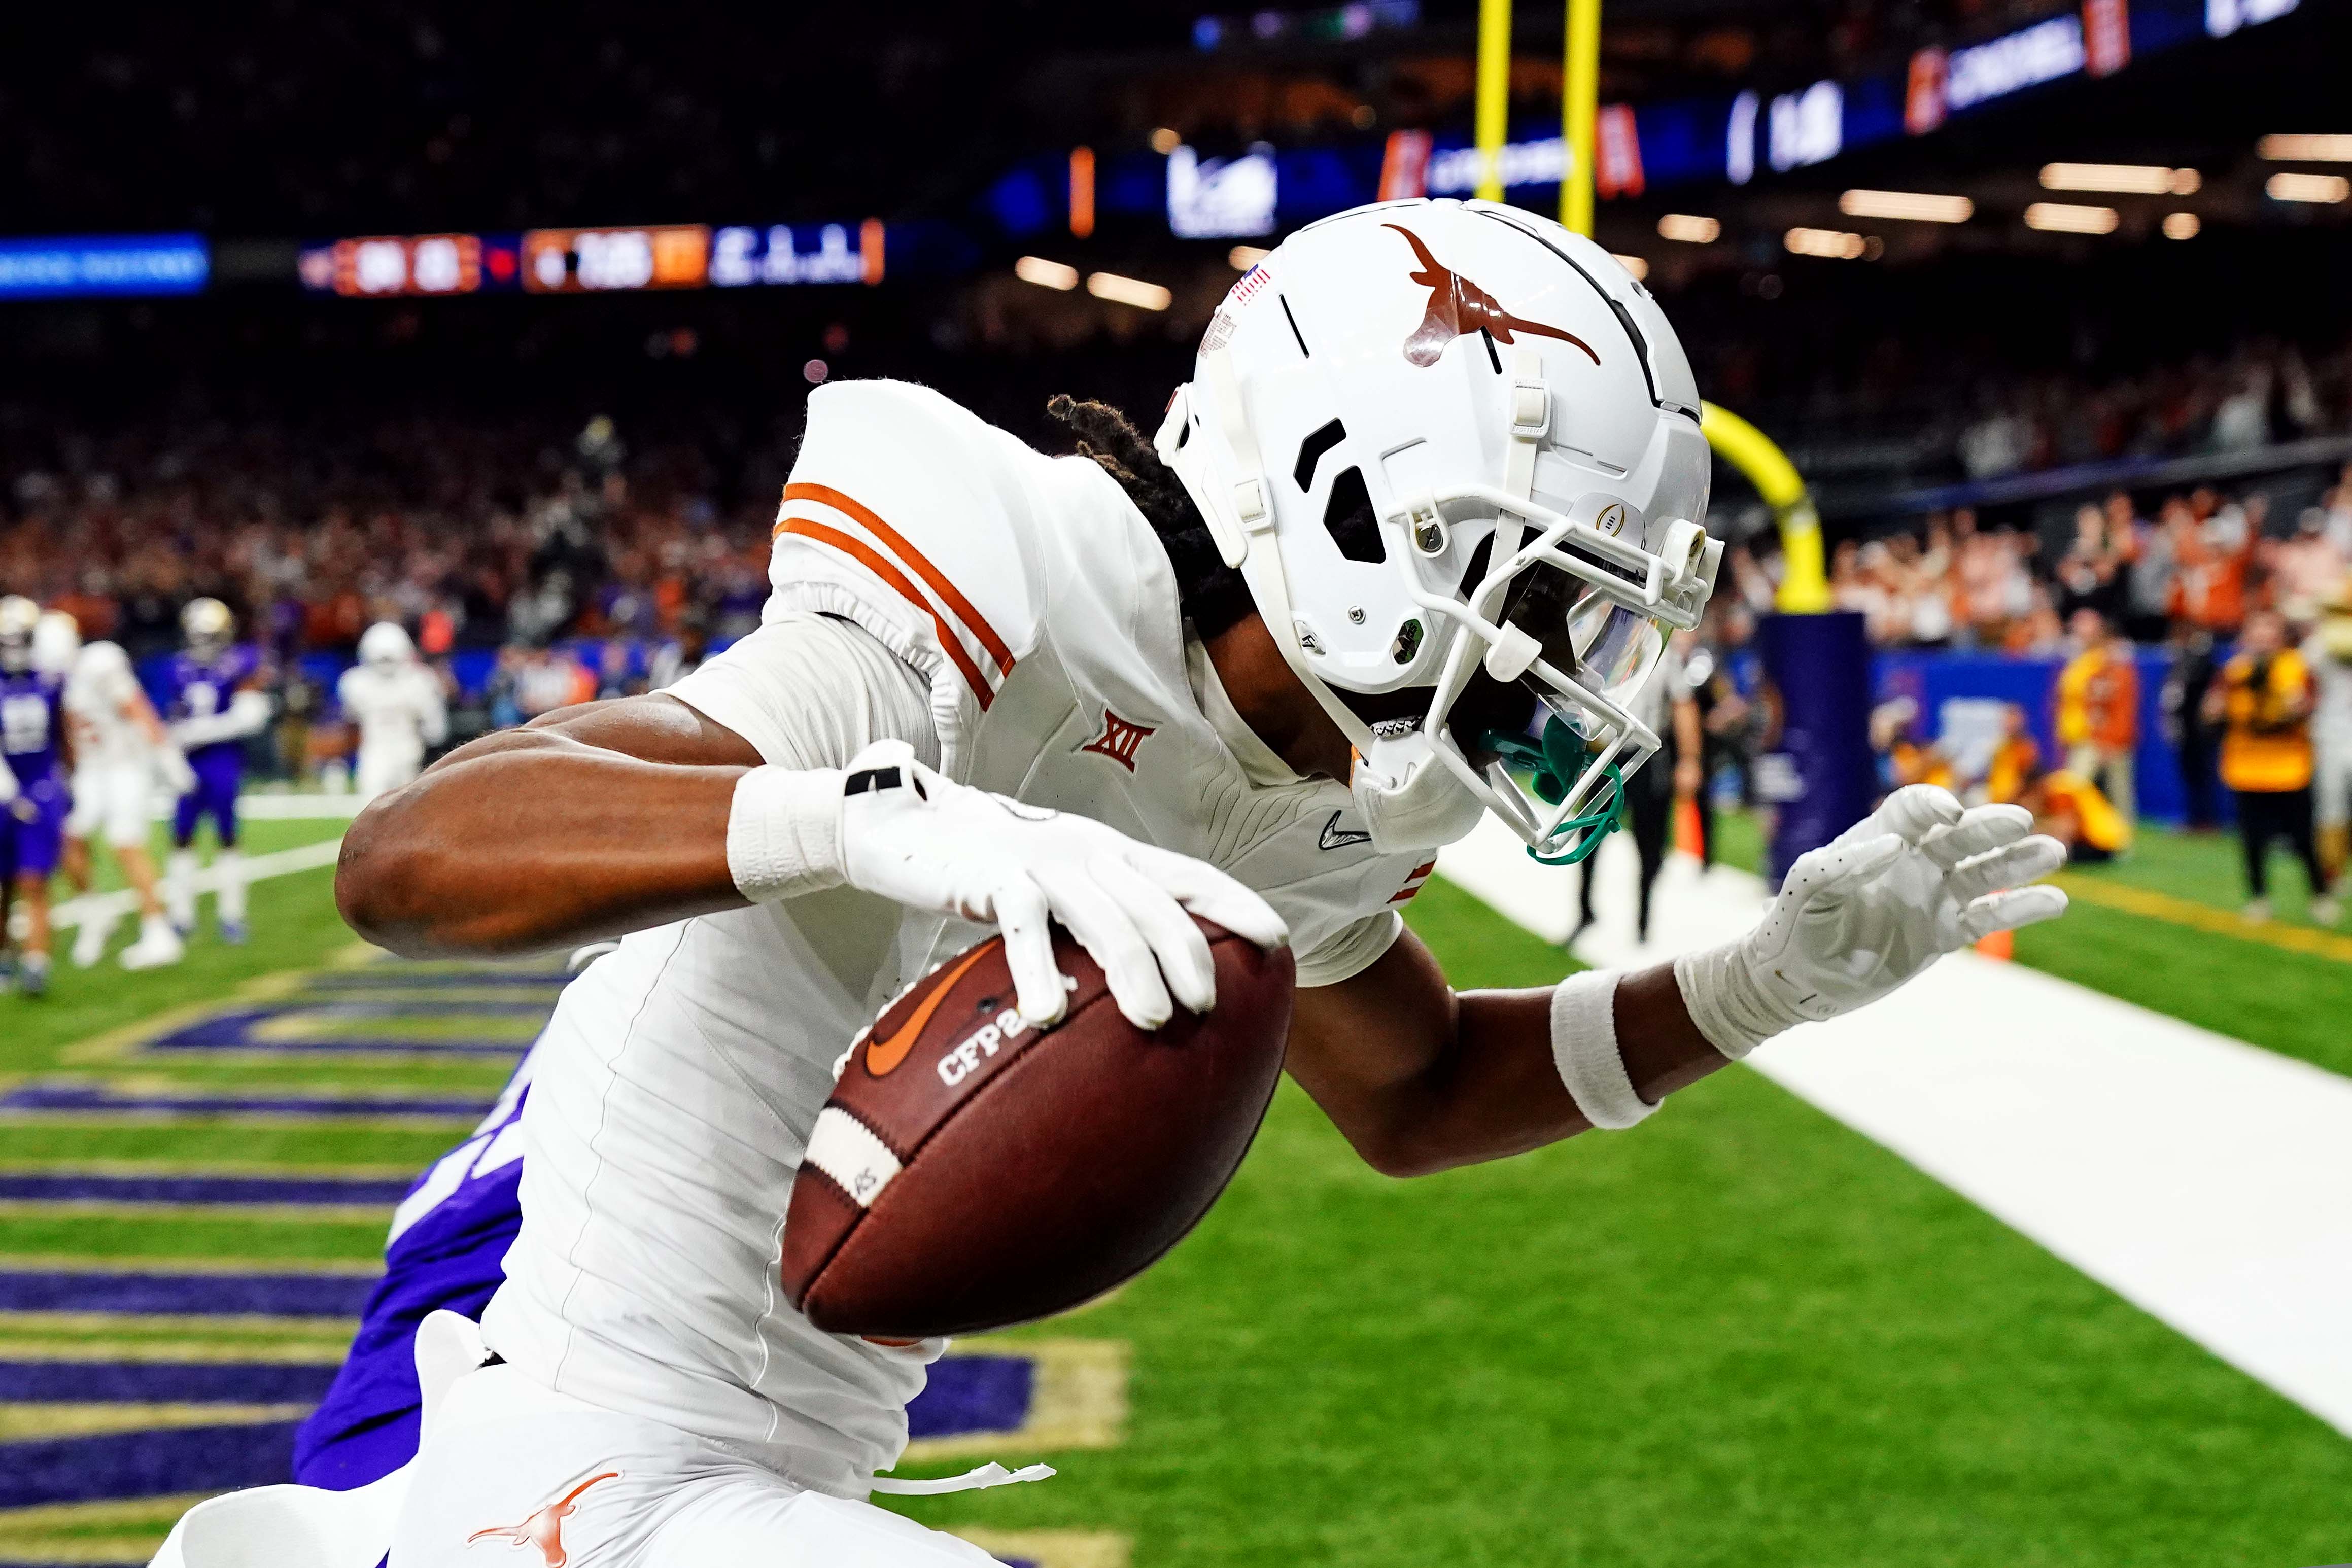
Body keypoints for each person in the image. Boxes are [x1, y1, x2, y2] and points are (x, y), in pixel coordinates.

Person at [158, 201, 2068, 1568]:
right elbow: (412, 855)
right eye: (1541, 581)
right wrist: (869, 809)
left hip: (782, 1456)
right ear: (1342, 503)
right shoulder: (989, 583)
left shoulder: (1315, 765)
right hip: (531, 1383)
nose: (1566, 653)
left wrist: (1760, 987)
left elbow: (1409, 1096)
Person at [51, 613, 190, 970]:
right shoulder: (56, 677)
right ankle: (95, 912)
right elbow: (66, 732)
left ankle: (159, 931)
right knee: (69, 838)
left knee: (125, 842)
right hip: (91, 772)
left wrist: (167, 756)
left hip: (126, 766)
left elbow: (137, 708)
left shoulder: (98, 662)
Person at [2203, 609, 2337, 924]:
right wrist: (2214, 709)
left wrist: (2297, 707)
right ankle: (2258, 897)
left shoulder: (2295, 667)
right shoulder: (2234, 671)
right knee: (2252, 840)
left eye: (2269, 630)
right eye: (2257, 630)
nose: (2262, 637)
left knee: (2304, 838)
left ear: (2279, 636)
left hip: (2289, 767)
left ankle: (2320, 894)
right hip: (2247, 765)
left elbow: (2306, 706)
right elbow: (2211, 713)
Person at [161, 598, 272, 943]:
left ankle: (232, 915)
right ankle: (181, 915)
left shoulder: (240, 664)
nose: (204, 643)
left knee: (228, 837)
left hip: (222, 761)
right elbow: (165, 718)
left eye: (211, 636)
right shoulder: (175, 668)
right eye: (199, 635)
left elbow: (251, 717)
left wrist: (196, 732)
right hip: (188, 763)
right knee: (181, 838)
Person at [0, 597, 72, 996]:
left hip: (41, 787)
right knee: (3, 886)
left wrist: (68, 784)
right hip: (2, 789)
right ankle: (5, 956)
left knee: (34, 879)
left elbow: (64, 736)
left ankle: (36, 962)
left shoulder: (51, 681)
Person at [339, 622, 451, 804]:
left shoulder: (420, 680)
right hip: (375, 748)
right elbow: (351, 719)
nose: (386, 666)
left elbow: (436, 729)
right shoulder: (356, 682)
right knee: (369, 802)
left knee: (406, 805)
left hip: (408, 748)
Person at [2052, 608, 2138, 828]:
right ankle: (2084, 832)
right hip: (2079, 735)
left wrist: (2111, 736)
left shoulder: (2107, 662)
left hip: (2096, 736)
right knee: (2082, 787)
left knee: (2114, 790)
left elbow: (2114, 703)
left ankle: (2120, 837)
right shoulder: (2076, 661)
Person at [2301, 592, 2352, 886]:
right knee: (2331, 806)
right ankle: (2332, 872)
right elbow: (2301, 670)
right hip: (2331, 733)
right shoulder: (2321, 644)